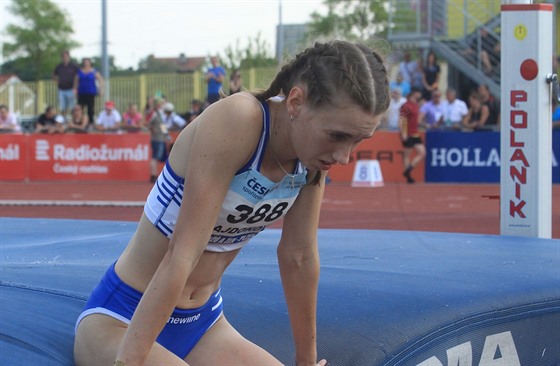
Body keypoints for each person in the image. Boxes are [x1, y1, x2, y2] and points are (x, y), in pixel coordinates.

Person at [73, 40, 390, 366]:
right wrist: (130, 361)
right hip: (124, 318)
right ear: (296, 101)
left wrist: (306, 361)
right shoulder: (240, 119)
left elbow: (299, 256)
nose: (343, 156)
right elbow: (183, 252)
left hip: (204, 326)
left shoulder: (311, 158)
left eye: (358, 140)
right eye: (337, 136)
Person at [399, 87, 425, 184]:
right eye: (419, 93)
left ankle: (408, 170)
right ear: (414, 93)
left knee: (422, 152)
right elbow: (402, 120)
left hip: (415, 132)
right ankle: (408, 176)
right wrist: (403, 133)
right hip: (408, 133)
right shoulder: (405, 105)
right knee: (406, 155)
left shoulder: (416, 105)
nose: (420, 95)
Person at [76, 58, 104, 127]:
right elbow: (76, 81)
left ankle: (90, 123)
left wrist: (101, 89)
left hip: (90, 92)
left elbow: (100, 80)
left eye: (87, 62)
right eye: (85, 62)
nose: (86, 63)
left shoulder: (94, 71)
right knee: (80, 108)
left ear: (90, 63)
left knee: (90, 109)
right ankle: (80, 122)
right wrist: (75, 90)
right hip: (81, 92)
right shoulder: (80, 71)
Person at [53, 50, 79, 117]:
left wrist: (75, 88)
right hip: (61, 89)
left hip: (71, 89)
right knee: (62, 106)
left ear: (69, 57)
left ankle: (73, 120)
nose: (65, 58)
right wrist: (57, 82)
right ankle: (63, 120)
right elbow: (54, 75)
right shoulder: (59, 66)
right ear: (61, 57)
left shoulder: (73, 66)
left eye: (66, 56)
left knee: (72, 106)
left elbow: (77, 77)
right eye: (63, 56)